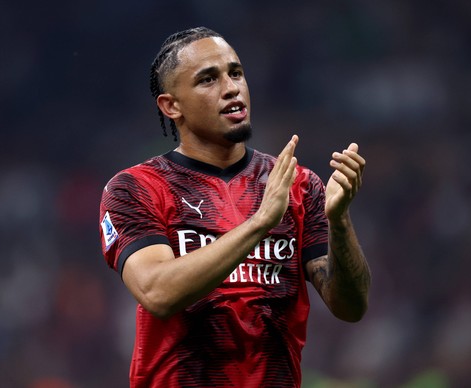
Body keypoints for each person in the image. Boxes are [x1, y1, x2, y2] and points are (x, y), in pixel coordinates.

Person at [99, 26, 371, 388]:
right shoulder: (137, 188)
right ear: (171, 105)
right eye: (208, 79)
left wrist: (339, 221)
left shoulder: (299, 185)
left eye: (236, 73)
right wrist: (260, 223)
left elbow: (351, 308)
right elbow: (157, 293)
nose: (231, 88)